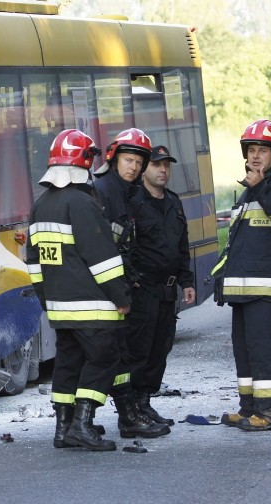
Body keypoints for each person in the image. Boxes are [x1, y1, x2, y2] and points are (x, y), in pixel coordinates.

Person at [28, 129, 131, 451]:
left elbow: (34, 262)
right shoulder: (82, 203)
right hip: (94, 308)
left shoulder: (40, 205)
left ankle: (63, 428)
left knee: (68, 365)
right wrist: (121, 297)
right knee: (103, 361)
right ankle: (83, 425)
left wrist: (47, 300)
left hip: (59, 308)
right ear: (85, 162)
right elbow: (103, 259)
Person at [215, 119, 271, 431]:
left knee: (265, 352)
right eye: (251, 150)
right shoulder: (249, 192)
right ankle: (250, 408)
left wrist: (260, 187)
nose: (254, 156)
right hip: (243, 290)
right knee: (246, 352)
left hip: (267, 290)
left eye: (262, 150)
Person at [93, 127, 170, 438]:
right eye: (128, 160)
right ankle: (125, 417)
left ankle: (127, 414)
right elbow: (104, 246)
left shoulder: (128, 192)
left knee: (121, 354)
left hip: (119, 285)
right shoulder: (105, 191)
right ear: (114, 159)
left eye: (139, 162)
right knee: (116, 357)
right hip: (106, 289)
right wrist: (127, 280)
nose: (134, 167)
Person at [126, 145, 196, 426]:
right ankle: (131, 408)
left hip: (167, 291)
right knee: (139, 351)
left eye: (167, 165)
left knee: (160, 350)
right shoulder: (133, 201)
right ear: (145, 169)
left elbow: (181, 246)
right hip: (143, 290)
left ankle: (145, 402)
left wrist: (187, 281)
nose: (163, 170)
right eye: (157, 165)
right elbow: (125, 247)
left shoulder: (174, 202)